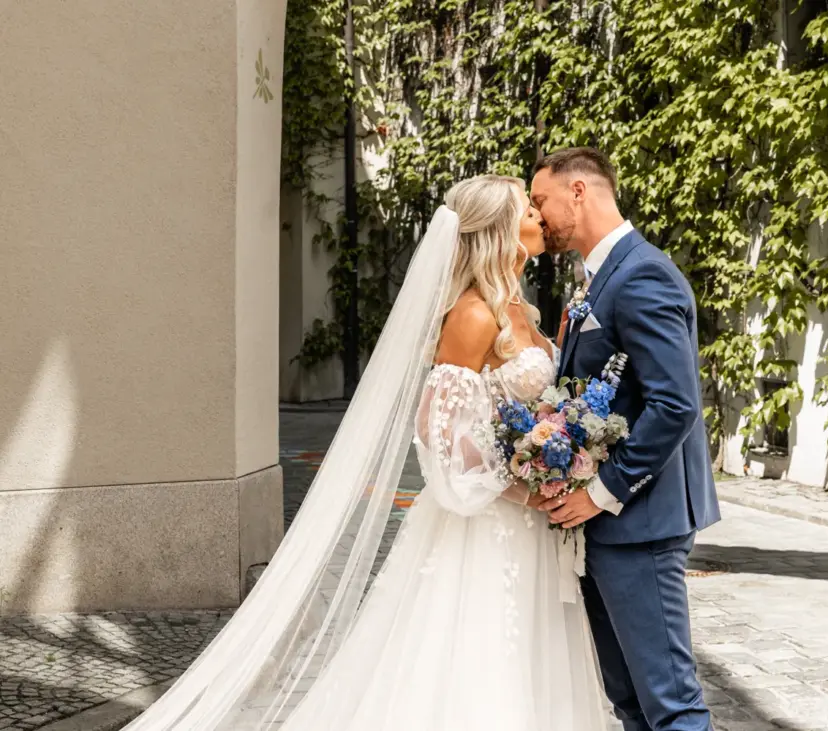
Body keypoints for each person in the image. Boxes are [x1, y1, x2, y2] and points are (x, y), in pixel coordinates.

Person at [121, 175, 610, 731]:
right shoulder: (475, 315)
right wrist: (525, 488)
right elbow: (441, 433)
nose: (539, 217)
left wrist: (557, 452)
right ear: (501, 229)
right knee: (476, 666)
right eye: (528, 208)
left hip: (533, 531)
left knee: (531, 661)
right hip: (487, 526)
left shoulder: (522, 308)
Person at [530, 147, 722, 731]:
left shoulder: (642, 274)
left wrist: (601, 491)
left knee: (671, 705)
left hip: (641, 521)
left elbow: (675, 404)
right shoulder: (596, 279)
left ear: (579, 191)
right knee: (630, 702)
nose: (538, 217)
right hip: (607, 528)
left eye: (541, 201)